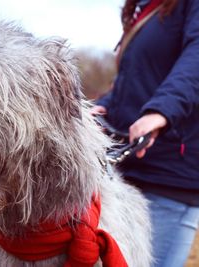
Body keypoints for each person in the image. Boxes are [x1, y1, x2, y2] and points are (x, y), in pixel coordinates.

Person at [92, 0, 199, 266]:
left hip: (169, 174)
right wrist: (101, 108)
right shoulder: (145, 9)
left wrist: (161, 112)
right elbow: (133, 82)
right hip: (127, 172)